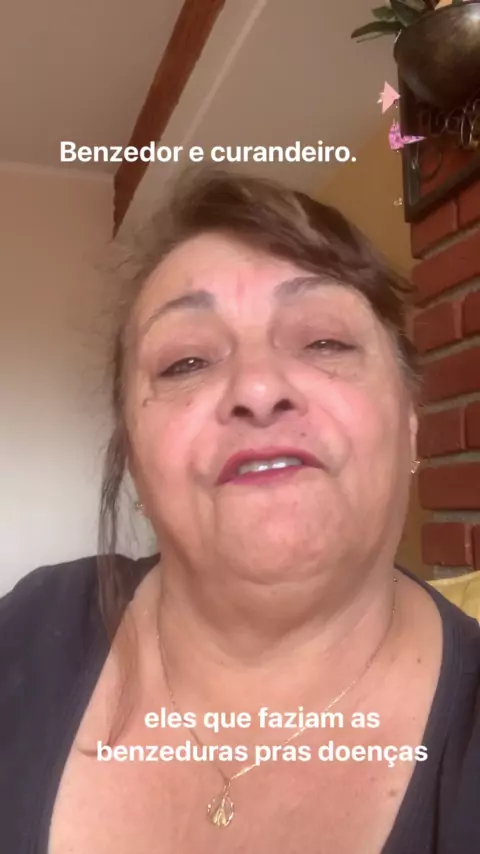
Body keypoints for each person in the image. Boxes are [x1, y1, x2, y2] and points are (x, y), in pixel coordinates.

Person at [1, 168, 479, 854]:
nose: (256, 388)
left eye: (324, 342)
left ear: (409, 421)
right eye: (186, 362)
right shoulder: (30, 627)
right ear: (134, 457)